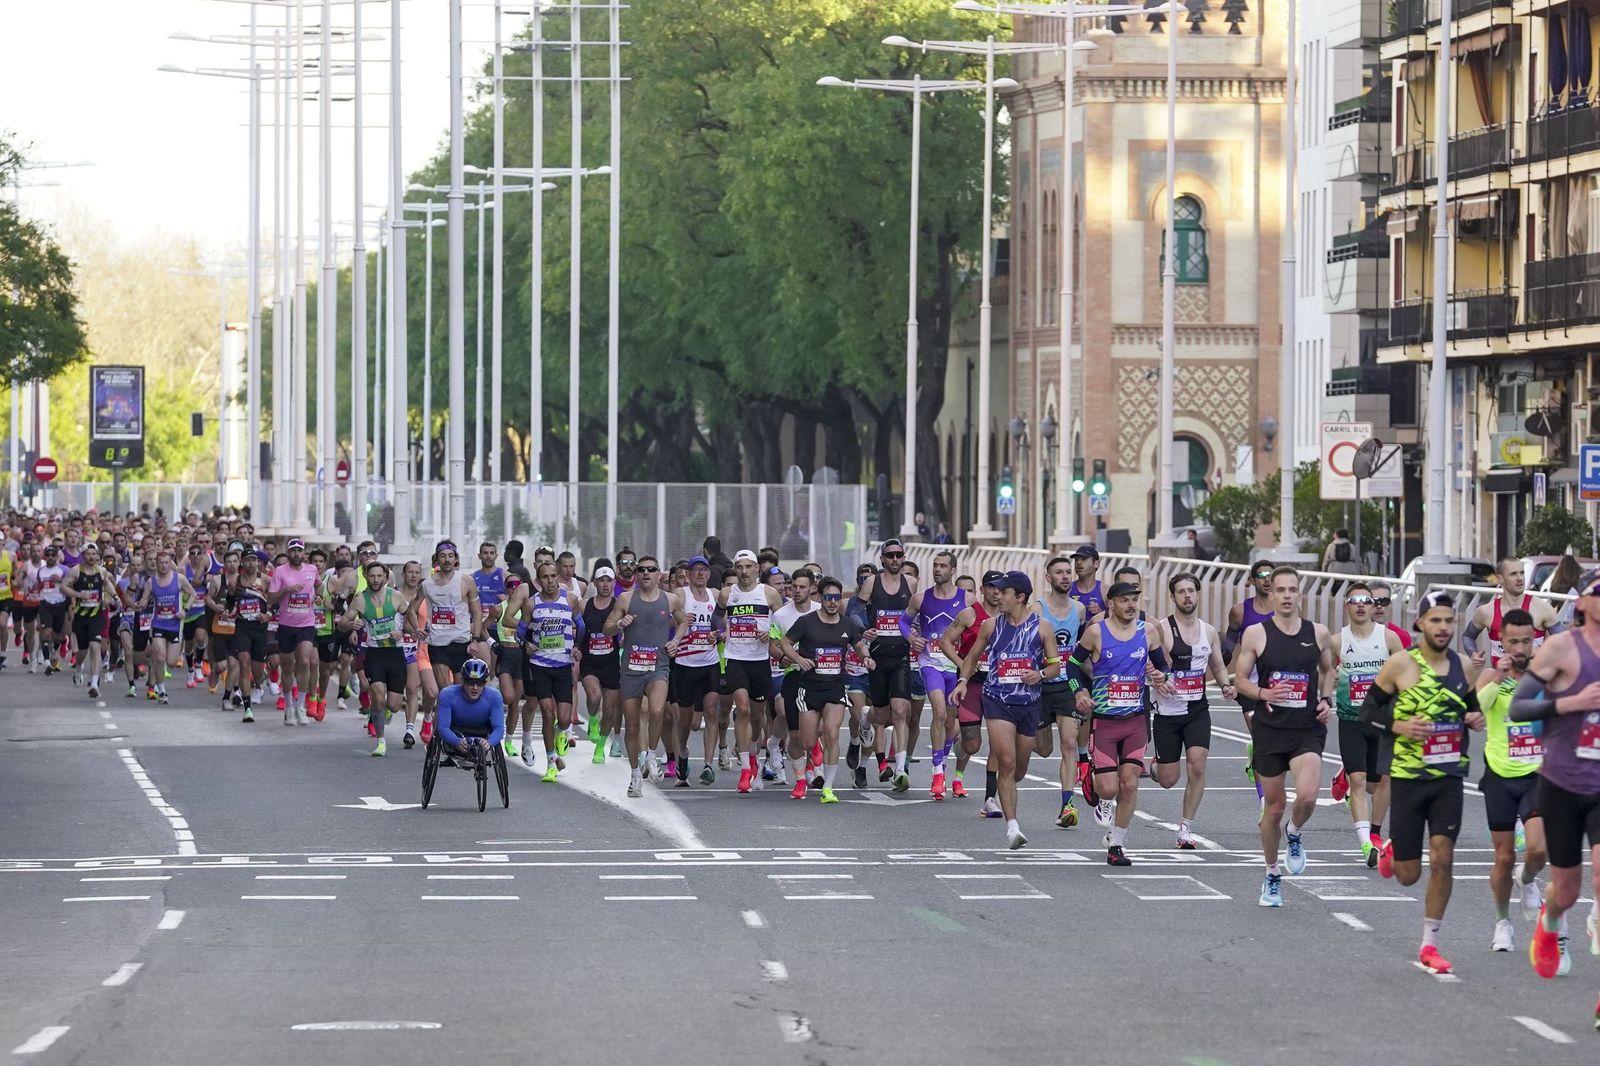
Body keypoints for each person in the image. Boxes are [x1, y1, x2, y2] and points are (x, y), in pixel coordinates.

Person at [1360, 591, 1484, 975]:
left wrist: (1474, 720)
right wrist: (1398, 726)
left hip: (1448, 776)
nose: (1444, 627)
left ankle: (1431, 943)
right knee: (1409, 875)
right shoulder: (1400, 665)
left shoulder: (1463, 667)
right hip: (1409, 778)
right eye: (1436, 620)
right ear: (1420, 623)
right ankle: (1393, 851)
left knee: (1443, 857)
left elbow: (1473, 709)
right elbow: (1367, 713)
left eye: (1449, 621)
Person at [1509, 570, 1600, 994]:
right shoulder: (1563, 648)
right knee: (1566, 888)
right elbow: (1519, 707)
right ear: (1581, 602)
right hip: (1562, 781)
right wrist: (1573, 703)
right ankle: (1551, 919)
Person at [1231, 566, 1336, 907]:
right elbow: (1241, 680)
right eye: (1281, 590)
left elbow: (1328, 670)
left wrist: (1326, 699)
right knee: (1273, 808)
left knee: (1306, 797)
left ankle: (1295, 832)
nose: (1287, 595)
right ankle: (1272, 873)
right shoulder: (1256, 634)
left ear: (1300, 594)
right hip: (1270, 728)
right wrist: (1263, 694)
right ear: (1271, 595)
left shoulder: (1318, 633)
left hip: (1307, 727)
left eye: (1293, 590)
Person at [954, 571, 1062, 850]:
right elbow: (971, 658)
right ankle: (1013, 828)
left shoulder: (1043, 628)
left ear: (1020, 597)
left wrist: (1039, 674)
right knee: (1007, 762)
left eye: (1003, 593)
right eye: (997, 592)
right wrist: (963, 681)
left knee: (1019, 770)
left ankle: (1006, 790)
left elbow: (1055, 666)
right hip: (997, 700)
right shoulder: (990, 626)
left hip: (1029, 704)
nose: (997, 596)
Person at [1067, 579, 1169, 866]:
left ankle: (1117, 845)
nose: (1131, 605)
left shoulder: (1148, 632)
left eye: (1134, 599)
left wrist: (1163, 677)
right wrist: (1079, 691)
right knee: (1109, 788)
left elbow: (1163, 666)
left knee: (1129, 785)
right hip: (1105, 722)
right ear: (1111, 604)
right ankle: (1093, 779)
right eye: (1124, 600)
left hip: (1135, 721)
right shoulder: (1095, 633)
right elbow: (1072, 666)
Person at [1475, 609, 1549, 954]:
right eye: (1513, 641)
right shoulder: (1491, 675)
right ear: (1501, 642)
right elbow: (1480, 706)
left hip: (1536, 773)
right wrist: (1497, 678)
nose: (1520, 648)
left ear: (1535, 641)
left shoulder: (1544, 676)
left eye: (1526, 641)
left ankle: (1528, 879)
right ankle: (1502, 922)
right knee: (1503, 857)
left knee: (1538, 850)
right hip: (1500, 775)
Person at [1153, 572, 1235, 849]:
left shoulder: (1209, 631)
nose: (1187, 596)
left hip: (1197, 708)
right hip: (1167, 712)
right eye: (1181, 591)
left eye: (1191, 591)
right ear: (1173, 596)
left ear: (1198, 594)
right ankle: (1156, 765)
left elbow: (1218, 666)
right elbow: (1146, 663)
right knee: (1168, 780)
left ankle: (1185, 827)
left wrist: (1225, 686)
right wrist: (1157, 679)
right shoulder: (1161, 629)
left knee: (1197, 766)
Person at [780, 575, 874, 804]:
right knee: (806, 741)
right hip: (810, 688)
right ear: (820, 598)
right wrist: (798, 659)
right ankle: (801, 779)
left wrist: (867, 657)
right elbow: (785, 642)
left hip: (835, 687)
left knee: (832, 733)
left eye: (837, 597)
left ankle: (829, 788)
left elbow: (859, 644)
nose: (833, 602)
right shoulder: (807, 622)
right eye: (828, 597)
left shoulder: (847, 623)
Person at [1331, 582, 1403, 866]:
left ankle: (1375, 830)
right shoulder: (1337, 641)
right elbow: (1321, 672)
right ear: (1347, 605)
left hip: (1382, 721)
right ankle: (1367, 842)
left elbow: (1406, 675)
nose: (1361, 604)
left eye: (1366, 600)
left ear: (1374, 606)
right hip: (1351, 719)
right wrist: (1331, 682)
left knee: (1380, 783)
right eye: (1354, 599)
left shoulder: (1389, 639)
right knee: (1358, 781)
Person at [607, 555, 678, 796]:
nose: (646, 573)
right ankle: (635, 774)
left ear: (659, 574)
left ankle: (652, 754)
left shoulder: (670, 599)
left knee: (657, 710)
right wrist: (619, 624)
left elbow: (683, 622)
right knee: (633, 724)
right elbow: (606, 627)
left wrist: (676, 641)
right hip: (631, 669)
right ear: (636, 574)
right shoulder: (626, 599)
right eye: (642, 569)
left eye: (651, 569)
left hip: (658, 666)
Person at [720, 549, 784, 793]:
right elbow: (717, 618)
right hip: (735, 659)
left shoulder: (769, 594)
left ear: (757, 569)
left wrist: (772, 634)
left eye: (748, 567)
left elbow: (783, 623)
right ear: (735, 570)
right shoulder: (727, 594)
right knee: (743, 709)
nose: (744, 572)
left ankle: (755, 750)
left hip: (760, 661)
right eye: (740, 567)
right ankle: (746, 769)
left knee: (758, 716)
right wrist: (721, 629)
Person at [856, 538, 917, 791]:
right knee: (881, 715)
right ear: (882, 559)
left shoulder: (911, 583)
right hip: (878, 656)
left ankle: (900, 768)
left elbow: (918, 612)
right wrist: (864, 631)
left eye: (899, 555)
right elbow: (855, 611)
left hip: (901, 655)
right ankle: (865, 717)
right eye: (890, 555)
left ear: (903, 558)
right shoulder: (872, 582)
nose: (895, 559)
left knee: (901, 710)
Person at [906, 549, 967, 800]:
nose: (937, 569)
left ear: (953, 570)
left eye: (943, 566)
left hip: (956, 666)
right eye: (935, 565)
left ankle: (944, 763)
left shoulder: (967, 599)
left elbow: (979, 628)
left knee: (951, 722)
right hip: (930, 662)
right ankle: (937, 773)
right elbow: (903, 621)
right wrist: (912, 637)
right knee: (939, 712)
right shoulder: (921, 598)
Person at [338, 560, 410, 757]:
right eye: (372, 576)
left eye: (380, 576)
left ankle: (384, 712)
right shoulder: (360, 600)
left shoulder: (396, 597)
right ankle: (380, 741)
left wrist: (401, 632)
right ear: (367, 577)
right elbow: (342, 623)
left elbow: (410, 620)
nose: (376, 579)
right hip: (375, 653)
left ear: (385, 578)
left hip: (395, 654)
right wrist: (350, 625)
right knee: (377, 695)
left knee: (394, 705)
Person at [1033, 556, 1084, 828]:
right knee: (1043, 749)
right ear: (1048, 578)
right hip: (1040, 685)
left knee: (1068, 743)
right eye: (1059, 573)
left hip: (1067, 685)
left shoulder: (1079, 609)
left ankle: (1067, 805)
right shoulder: (1037, 609)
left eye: (1068, 572)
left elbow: (1083, 648)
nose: (1065, 576)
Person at [525, 560, 584, 782]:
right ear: (538, 580)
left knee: (565, 719)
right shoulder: (532, 604)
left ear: (557, 577)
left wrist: (578, 647)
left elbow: (583, 627)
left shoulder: (570, 599)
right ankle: (551, 762)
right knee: (548, 714)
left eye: (553, 576)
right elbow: (522, 631)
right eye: (545, 577)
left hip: (562, 665)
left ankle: (562, 734)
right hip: (540, 665)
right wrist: (525, 645)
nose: (550, 581)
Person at [409, 541, 482, 686]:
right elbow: (411, 609)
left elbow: (477, 612)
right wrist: (417, 628)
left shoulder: (467, 581)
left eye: (450, 556)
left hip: (462, 642)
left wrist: (476, 640)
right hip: (437, 643)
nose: (447, 560)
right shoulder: (427, 585)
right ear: (437, 559)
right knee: (446, 690)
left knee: (462, 690)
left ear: (456, 559)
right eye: (443, 556)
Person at [1465, 557, 1559, 669]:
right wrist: (1473, 654)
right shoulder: (1485, 611)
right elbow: (1468, 636)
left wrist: (1543, 651)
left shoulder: (1541, 608)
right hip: (1501, 681)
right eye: (1513, 574)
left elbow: (1567, 641)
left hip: (1531, 680)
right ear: (1500, 579)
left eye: (1522, 573)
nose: (1520, 578)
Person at [266, 537, 322, 723]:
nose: (296, 554)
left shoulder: (311, 569)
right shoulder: (280, 571)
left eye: (299, 551)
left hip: (306, 623)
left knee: (305, 662)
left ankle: (301, 707)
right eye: (293, 551)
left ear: (303, 553)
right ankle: (289, 706)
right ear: (288, 552)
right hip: (286, 625)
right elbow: (271, 598)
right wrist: (287, 590)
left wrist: (319, 597)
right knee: (288, 666)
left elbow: (318, 585)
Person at [60, 543, 116, 699]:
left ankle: (94, 683)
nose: (92, 557)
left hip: (96, 615)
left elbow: (108, 584)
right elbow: (63, 588)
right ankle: (78, 669)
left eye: (94, 554)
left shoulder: (102, 571)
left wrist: (114, 597)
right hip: (81, 616)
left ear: (98, 556)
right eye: (88, 554)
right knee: (82, 652)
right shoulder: (76, 570)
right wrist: (78, 595)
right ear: (83, 555)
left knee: (95, 647)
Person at [579, 564, 622, 764]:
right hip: (590, 660)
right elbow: (575, 627)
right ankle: (593, 719)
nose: (605, 584)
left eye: (609, 580)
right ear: (595, 583)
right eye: (601, 580)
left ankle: (600, 746)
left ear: (614, 583)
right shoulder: (585, 605)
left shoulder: (619, 605)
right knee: (594, 696)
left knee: (611, 710)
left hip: (611, 661)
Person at [434, 657, 507, 764]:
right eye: (470, 683)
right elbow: (443, 727)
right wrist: (456, 741)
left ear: (485, 683)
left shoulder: (494, 696)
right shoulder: (447, 694)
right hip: (455, 730)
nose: (475, 687)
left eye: (480, 683)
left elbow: (499, 728)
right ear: (462, 681)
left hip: (481, 731)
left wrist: (489, 743)